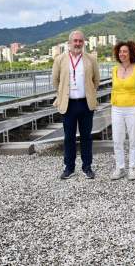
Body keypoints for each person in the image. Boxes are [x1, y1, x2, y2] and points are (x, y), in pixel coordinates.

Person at [52, 30, 100, 180]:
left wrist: (90, 92)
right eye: (75, 41)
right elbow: (55, 81)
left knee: (86, 137)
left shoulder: (91, 59)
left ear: (83, 43)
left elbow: (96, 80)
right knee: (69, 137)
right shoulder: (60, 59)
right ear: (69, 43)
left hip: (86, 104)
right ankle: (69, 168)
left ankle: (87, 167)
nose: (78, 43)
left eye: (80, 41)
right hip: (68, 104)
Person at [110, 41, 135, 181]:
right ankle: (120, 167)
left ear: (131, 53)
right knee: (117, 139)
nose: (122, 54)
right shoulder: (114, 70)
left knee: (133, 139)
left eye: (125, 51)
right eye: (120, 52)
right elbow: (114, 89)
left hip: (134, 108)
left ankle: (133, 168)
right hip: (117, 108)